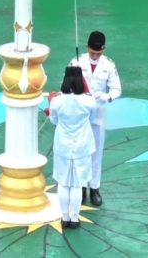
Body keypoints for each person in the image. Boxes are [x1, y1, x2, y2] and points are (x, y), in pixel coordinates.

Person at [68, 31, 121, 207]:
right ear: (87, 47)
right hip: (80, 114)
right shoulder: (77, 62)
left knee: (96, 152)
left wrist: (107, 96)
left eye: (98, 53)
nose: (95, 56)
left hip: (98, 113)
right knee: (81, 150)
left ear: (103, 49)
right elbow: (65, 84)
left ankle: (95, 188)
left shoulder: (108, 65)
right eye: (92, 52)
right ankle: (82, 187)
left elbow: (116, 89)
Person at [49, 66, 106, 229]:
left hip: (63, 146)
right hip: (82, 146)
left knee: (63, 183)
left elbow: (54, 120)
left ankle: (65, 217)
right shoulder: (89, 101)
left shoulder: (56, 101)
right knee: (77, 184)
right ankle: (74, 218)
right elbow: (92, 119)